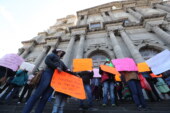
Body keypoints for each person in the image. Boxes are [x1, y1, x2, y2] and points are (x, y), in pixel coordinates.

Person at [22, 49, 68, 113]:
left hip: (55, 78)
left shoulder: (61, 62)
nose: (61, 52)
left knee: (46, 97)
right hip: (48, 73)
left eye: (62, 52)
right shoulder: (52, 55)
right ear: (57, 51)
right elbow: (47, 61)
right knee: (37, 93)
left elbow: (66, 69)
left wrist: (74, 73)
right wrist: (56, 67)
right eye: (60, 51)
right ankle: (26, 111)